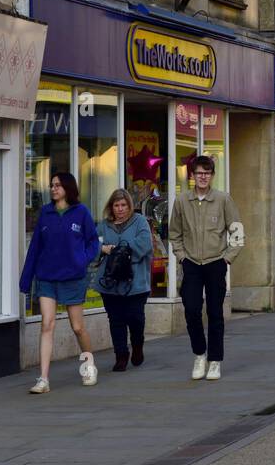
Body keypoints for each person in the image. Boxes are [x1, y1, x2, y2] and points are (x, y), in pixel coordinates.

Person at [19, 172, 100, 393]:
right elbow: (35, 248)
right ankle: (43, 379)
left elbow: (93, 242)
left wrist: (82, 260)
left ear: (68, 188)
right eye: (52, 185)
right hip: (47, 277)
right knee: (47, 324)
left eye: (58, 185)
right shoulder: (45, 213)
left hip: (73, 277)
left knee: (77, 327)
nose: (53, 189)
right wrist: (26, 280)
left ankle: (89, 365)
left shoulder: (81, 212)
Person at [167, 156, 243, 382]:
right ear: (192, 175)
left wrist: (226, 259)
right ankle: (199, 354)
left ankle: (215, 361)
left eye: (207, 173)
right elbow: (174, 233)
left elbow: (237, 233)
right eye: (199, 173)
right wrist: (181, 257)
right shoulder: (181, 201)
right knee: (191, 310)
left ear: (212, 176)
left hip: (215, 263)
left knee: (215, 312)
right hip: (191, 263)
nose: (202, 177)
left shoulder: (223, 200)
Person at [95, 188, 153, 372]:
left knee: (135, 318)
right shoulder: (104, 225)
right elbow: (92, 245)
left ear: (129, 206)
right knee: (116, 320)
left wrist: (121, 253)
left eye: (123, 205)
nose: (120, 209)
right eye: (116, 205)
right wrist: (103, 249)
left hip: (135, 282)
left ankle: (137, 346)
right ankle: (121, 355)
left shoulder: (139, 222)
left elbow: (145, 243)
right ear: (111, 207)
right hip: (110, 282)